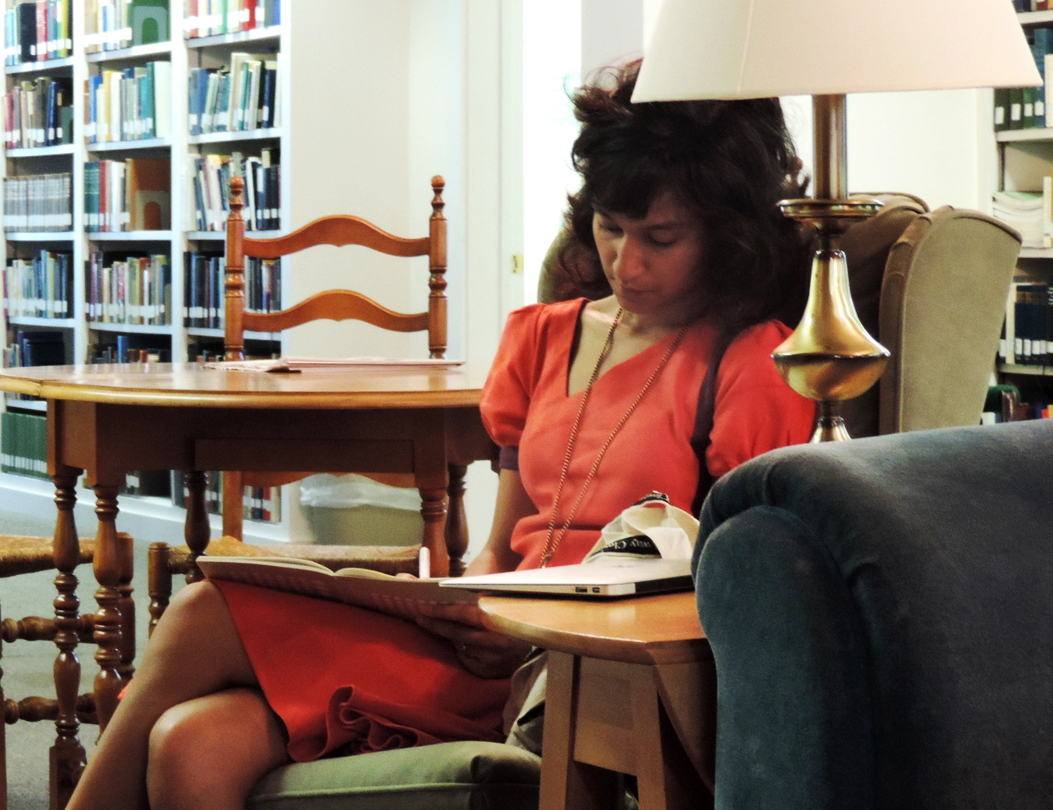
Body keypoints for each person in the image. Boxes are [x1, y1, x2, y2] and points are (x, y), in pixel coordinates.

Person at [66, 59, 816, 810]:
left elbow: (723, 591)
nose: (628, 262)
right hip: (484, 648)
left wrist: (532, 631)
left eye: (661, 238)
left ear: (724, 233)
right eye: (610, 229)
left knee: (199, 620)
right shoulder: (543, 337)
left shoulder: (749, 363)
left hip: (589, 670)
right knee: (190, 741)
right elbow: (501, 545)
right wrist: (459, 600)